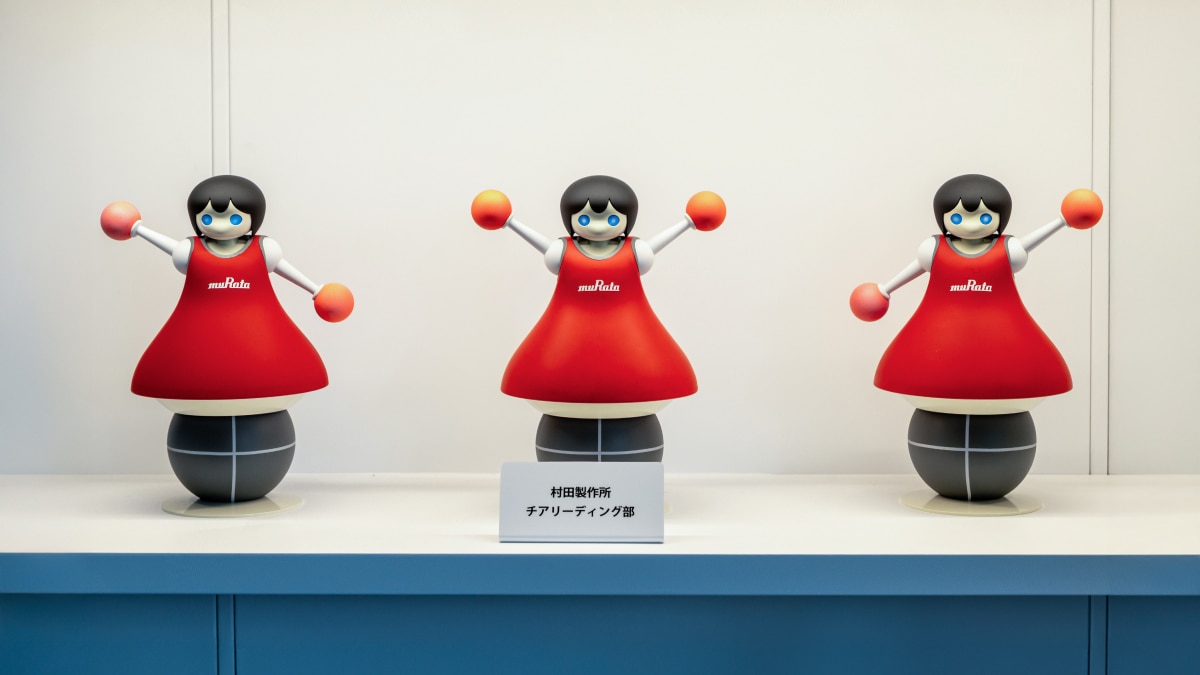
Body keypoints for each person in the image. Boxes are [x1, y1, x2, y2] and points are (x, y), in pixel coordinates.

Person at [101, 175, 353, 503]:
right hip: (196, 340)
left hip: (262, 340)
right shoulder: (189, 251)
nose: (219, 226)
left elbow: (288, 272)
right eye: (208, 218)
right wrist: (136, 228)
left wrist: (317, 292)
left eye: (233, 218)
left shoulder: (265, 250)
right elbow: (164, 244)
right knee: (195, 386)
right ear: (196, 219)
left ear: (252, 218)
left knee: (267, 387)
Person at [850, 174, 1101, 501]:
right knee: (931, 385)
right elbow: (912, 271)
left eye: (983, 218)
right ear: (943, 218)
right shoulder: (933, 250)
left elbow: (1031, 242)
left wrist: (1064, 221)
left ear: (1000, 219)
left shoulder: (1009, 250)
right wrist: (884, 291)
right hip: (937, 336)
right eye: (957, 218)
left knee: (1011, 384)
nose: (969, 226)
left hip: (1003, 334)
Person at [472, 175, 725, 461]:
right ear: (570, 218)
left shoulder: (636, 253)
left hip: (634, 340)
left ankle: (630, 496)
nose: (599, 226)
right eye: (586, 218)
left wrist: (689, 222)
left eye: (613, 220)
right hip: (564, 341)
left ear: (628, 219)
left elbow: (660, 242)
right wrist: (508, 221)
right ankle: (569, 498)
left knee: (644, 391)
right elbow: (538, 242)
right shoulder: (561, 252)